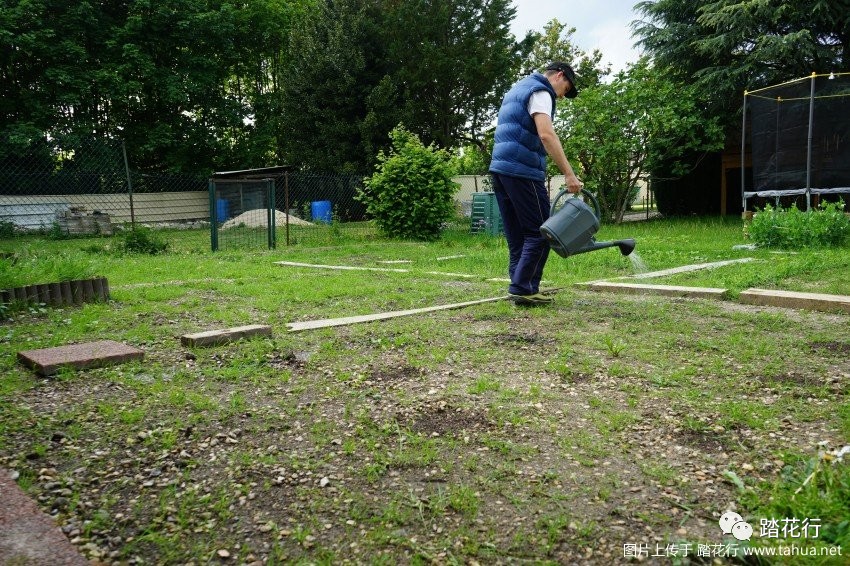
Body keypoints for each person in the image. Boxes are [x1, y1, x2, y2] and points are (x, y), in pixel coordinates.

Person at [489, 61, 583, 305]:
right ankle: (524, 288)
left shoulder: (518, 88)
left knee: (517, 235)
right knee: (542, 232)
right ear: (559, 76)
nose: (562, 95)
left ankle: (518, 284)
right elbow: (546, 134)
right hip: (522, 171)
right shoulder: (541, 92)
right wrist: (569, 175)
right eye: (565, 88)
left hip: (500, 169)